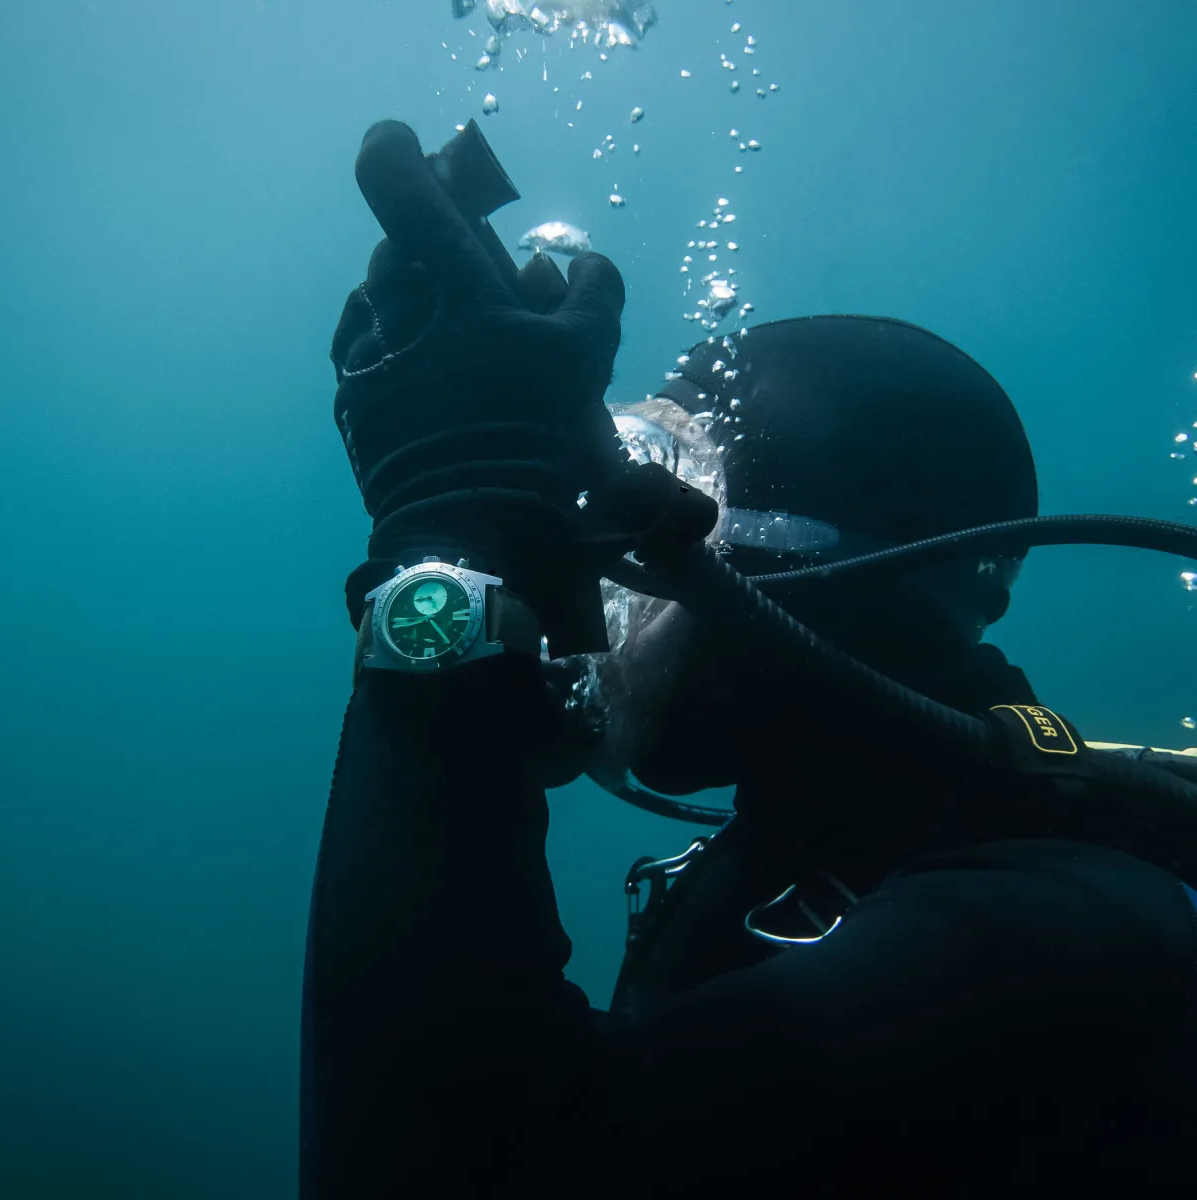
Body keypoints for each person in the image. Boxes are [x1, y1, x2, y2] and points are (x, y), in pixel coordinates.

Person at [302, 119, 1197, 1198]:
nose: (611, 572)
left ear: (798, 565)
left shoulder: (1063, 938)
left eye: (670, 480)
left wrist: (441, 587)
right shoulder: (823, 861)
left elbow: (454, 1163)